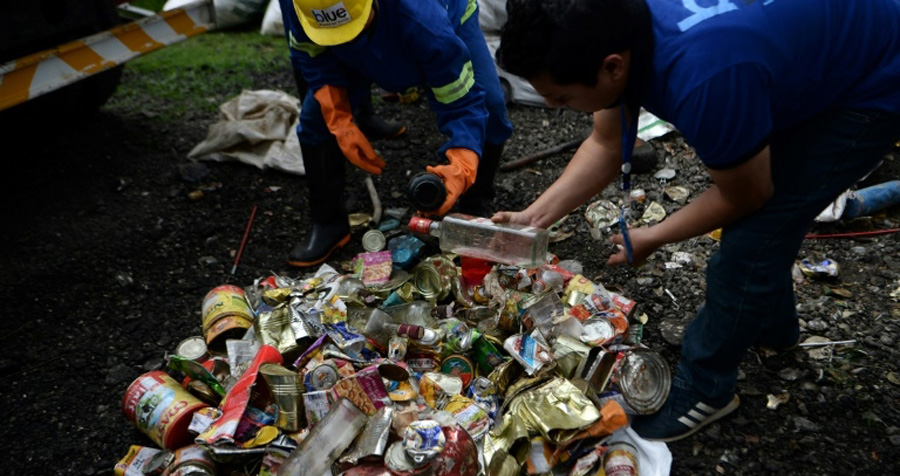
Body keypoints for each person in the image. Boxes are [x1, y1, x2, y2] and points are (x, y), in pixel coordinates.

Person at [495, 0, 900, 442]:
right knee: (772, 215)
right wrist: (534, 218)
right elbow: (607, 144)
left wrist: (652, 235)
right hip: (808, 48)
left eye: (562, 97)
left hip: (876, 77)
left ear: (612, 67)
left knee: (752, 240)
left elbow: (747, 193)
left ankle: (707, 385)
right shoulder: (615, 26)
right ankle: (768, 324)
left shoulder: (705, 79)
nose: (553, 107)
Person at [279, 0, 513, 267]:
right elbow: (309, 53)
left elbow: (462, 102)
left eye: (353, 28)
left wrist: (463, 162)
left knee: (490, 108)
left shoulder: (424, 21)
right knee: (314, 121)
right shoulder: (297, 6)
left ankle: (474, 206)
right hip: (360, 38)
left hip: (435, 20)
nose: (349, 38)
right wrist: (339, 119)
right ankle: (328, 223)